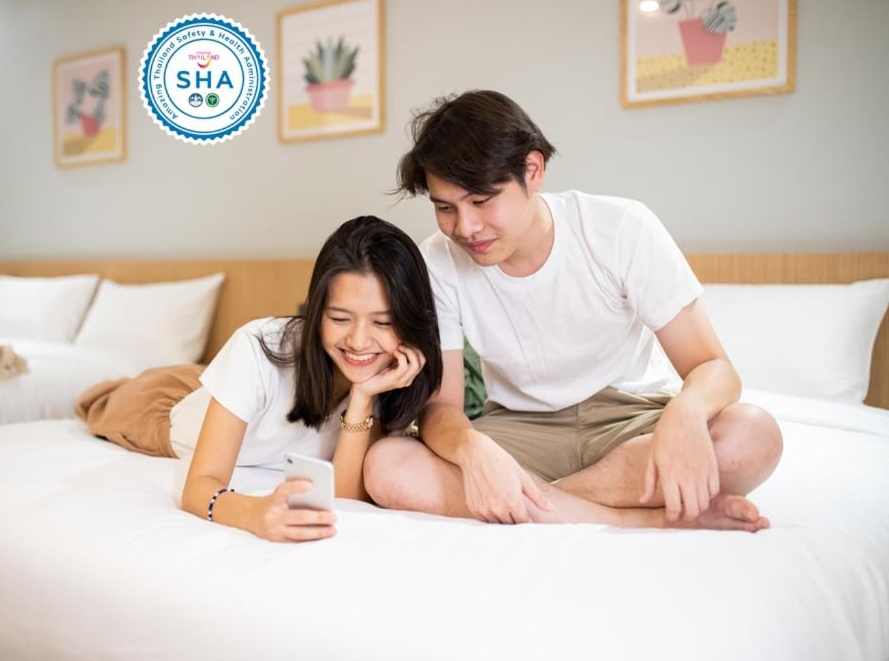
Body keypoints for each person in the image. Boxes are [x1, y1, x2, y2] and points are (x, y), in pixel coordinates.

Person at [362, 90, 784, 532]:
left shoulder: (620, 228)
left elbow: (714, 368)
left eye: (482, 201)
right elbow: (442, 408)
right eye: (445, 208)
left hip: (630, 419)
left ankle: (529, 501)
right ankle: (634, 518)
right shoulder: (437, 261)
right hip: (519, 430)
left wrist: (687, 413)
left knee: (752, 436)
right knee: (386, 464)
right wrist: (472, 450)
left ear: (533, 169)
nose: (465, 228)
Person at [77, 216, 442, 542]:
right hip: (162, 407)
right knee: (99, 399)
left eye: (382, 322)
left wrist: (362, 396)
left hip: (224, 389)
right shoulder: (256, 346)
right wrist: (255, 514)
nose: (360, 341)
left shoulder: (383, 376)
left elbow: (346, 498)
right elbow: (198, 489)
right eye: (340, 319)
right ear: (316, 312)